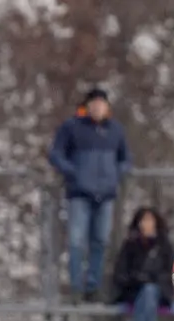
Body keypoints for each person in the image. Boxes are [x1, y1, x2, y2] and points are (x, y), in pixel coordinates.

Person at [49, 87, 132, 302]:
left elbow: (125, 158)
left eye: (101, 104)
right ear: (87, 107)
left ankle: (93, 286)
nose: (97, 107)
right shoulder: (72, 127)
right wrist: (72, 171)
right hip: (79, 193)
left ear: (107, 107)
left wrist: (117, 174)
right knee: (77, 241)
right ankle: (76, 286)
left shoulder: (116, 130)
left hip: (105, 195)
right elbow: (56, 153)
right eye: (93, 104)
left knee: (100, 241)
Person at [110, 207, 174, 321]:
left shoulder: (165, 246)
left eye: (149, 220)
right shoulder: (130, 245)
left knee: (151, 291)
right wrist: (137, 278)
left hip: (159, 290)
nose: (145, 224)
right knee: (148, 297)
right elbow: (120, 272)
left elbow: (171, 272)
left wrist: (152, 278)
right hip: (134, 289)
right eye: (142, 220)